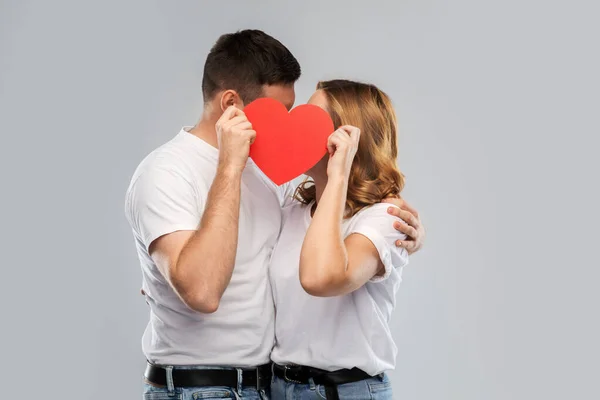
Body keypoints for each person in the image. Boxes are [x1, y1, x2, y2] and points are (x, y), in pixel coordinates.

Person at [125, 30, 425, 400]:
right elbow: (199, 287)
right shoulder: (166, 172)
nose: (290, 130)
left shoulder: (275, 181)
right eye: (285, 115)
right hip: (203, 389)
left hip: (270, 387)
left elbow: (296, 265)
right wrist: (161, 279)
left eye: (304, 119)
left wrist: (407, 236)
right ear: (231, 104)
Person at [269, 80, 413, 400]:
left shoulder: (385, 219)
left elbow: (321, 278)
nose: (296, 130)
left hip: (344, 391)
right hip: (278, 387)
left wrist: (338, 175)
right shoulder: (291, 208)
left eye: (311, 120)